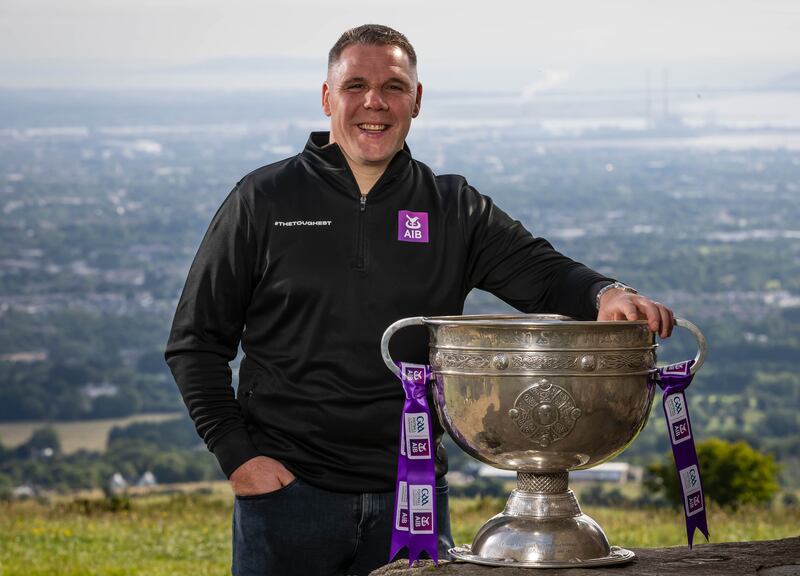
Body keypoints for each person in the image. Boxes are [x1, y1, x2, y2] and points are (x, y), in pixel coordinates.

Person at [165, 24, 675, 576]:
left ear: (417, 100)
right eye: (355, 85)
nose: (374, 102)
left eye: (394, 87)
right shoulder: (262, 199)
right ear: (327, 97)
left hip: (413, 495)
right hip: (287, 495)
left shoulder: (454, 207)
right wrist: (239, 459)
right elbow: (195, 343)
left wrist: (607, 292)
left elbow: (545, 274)